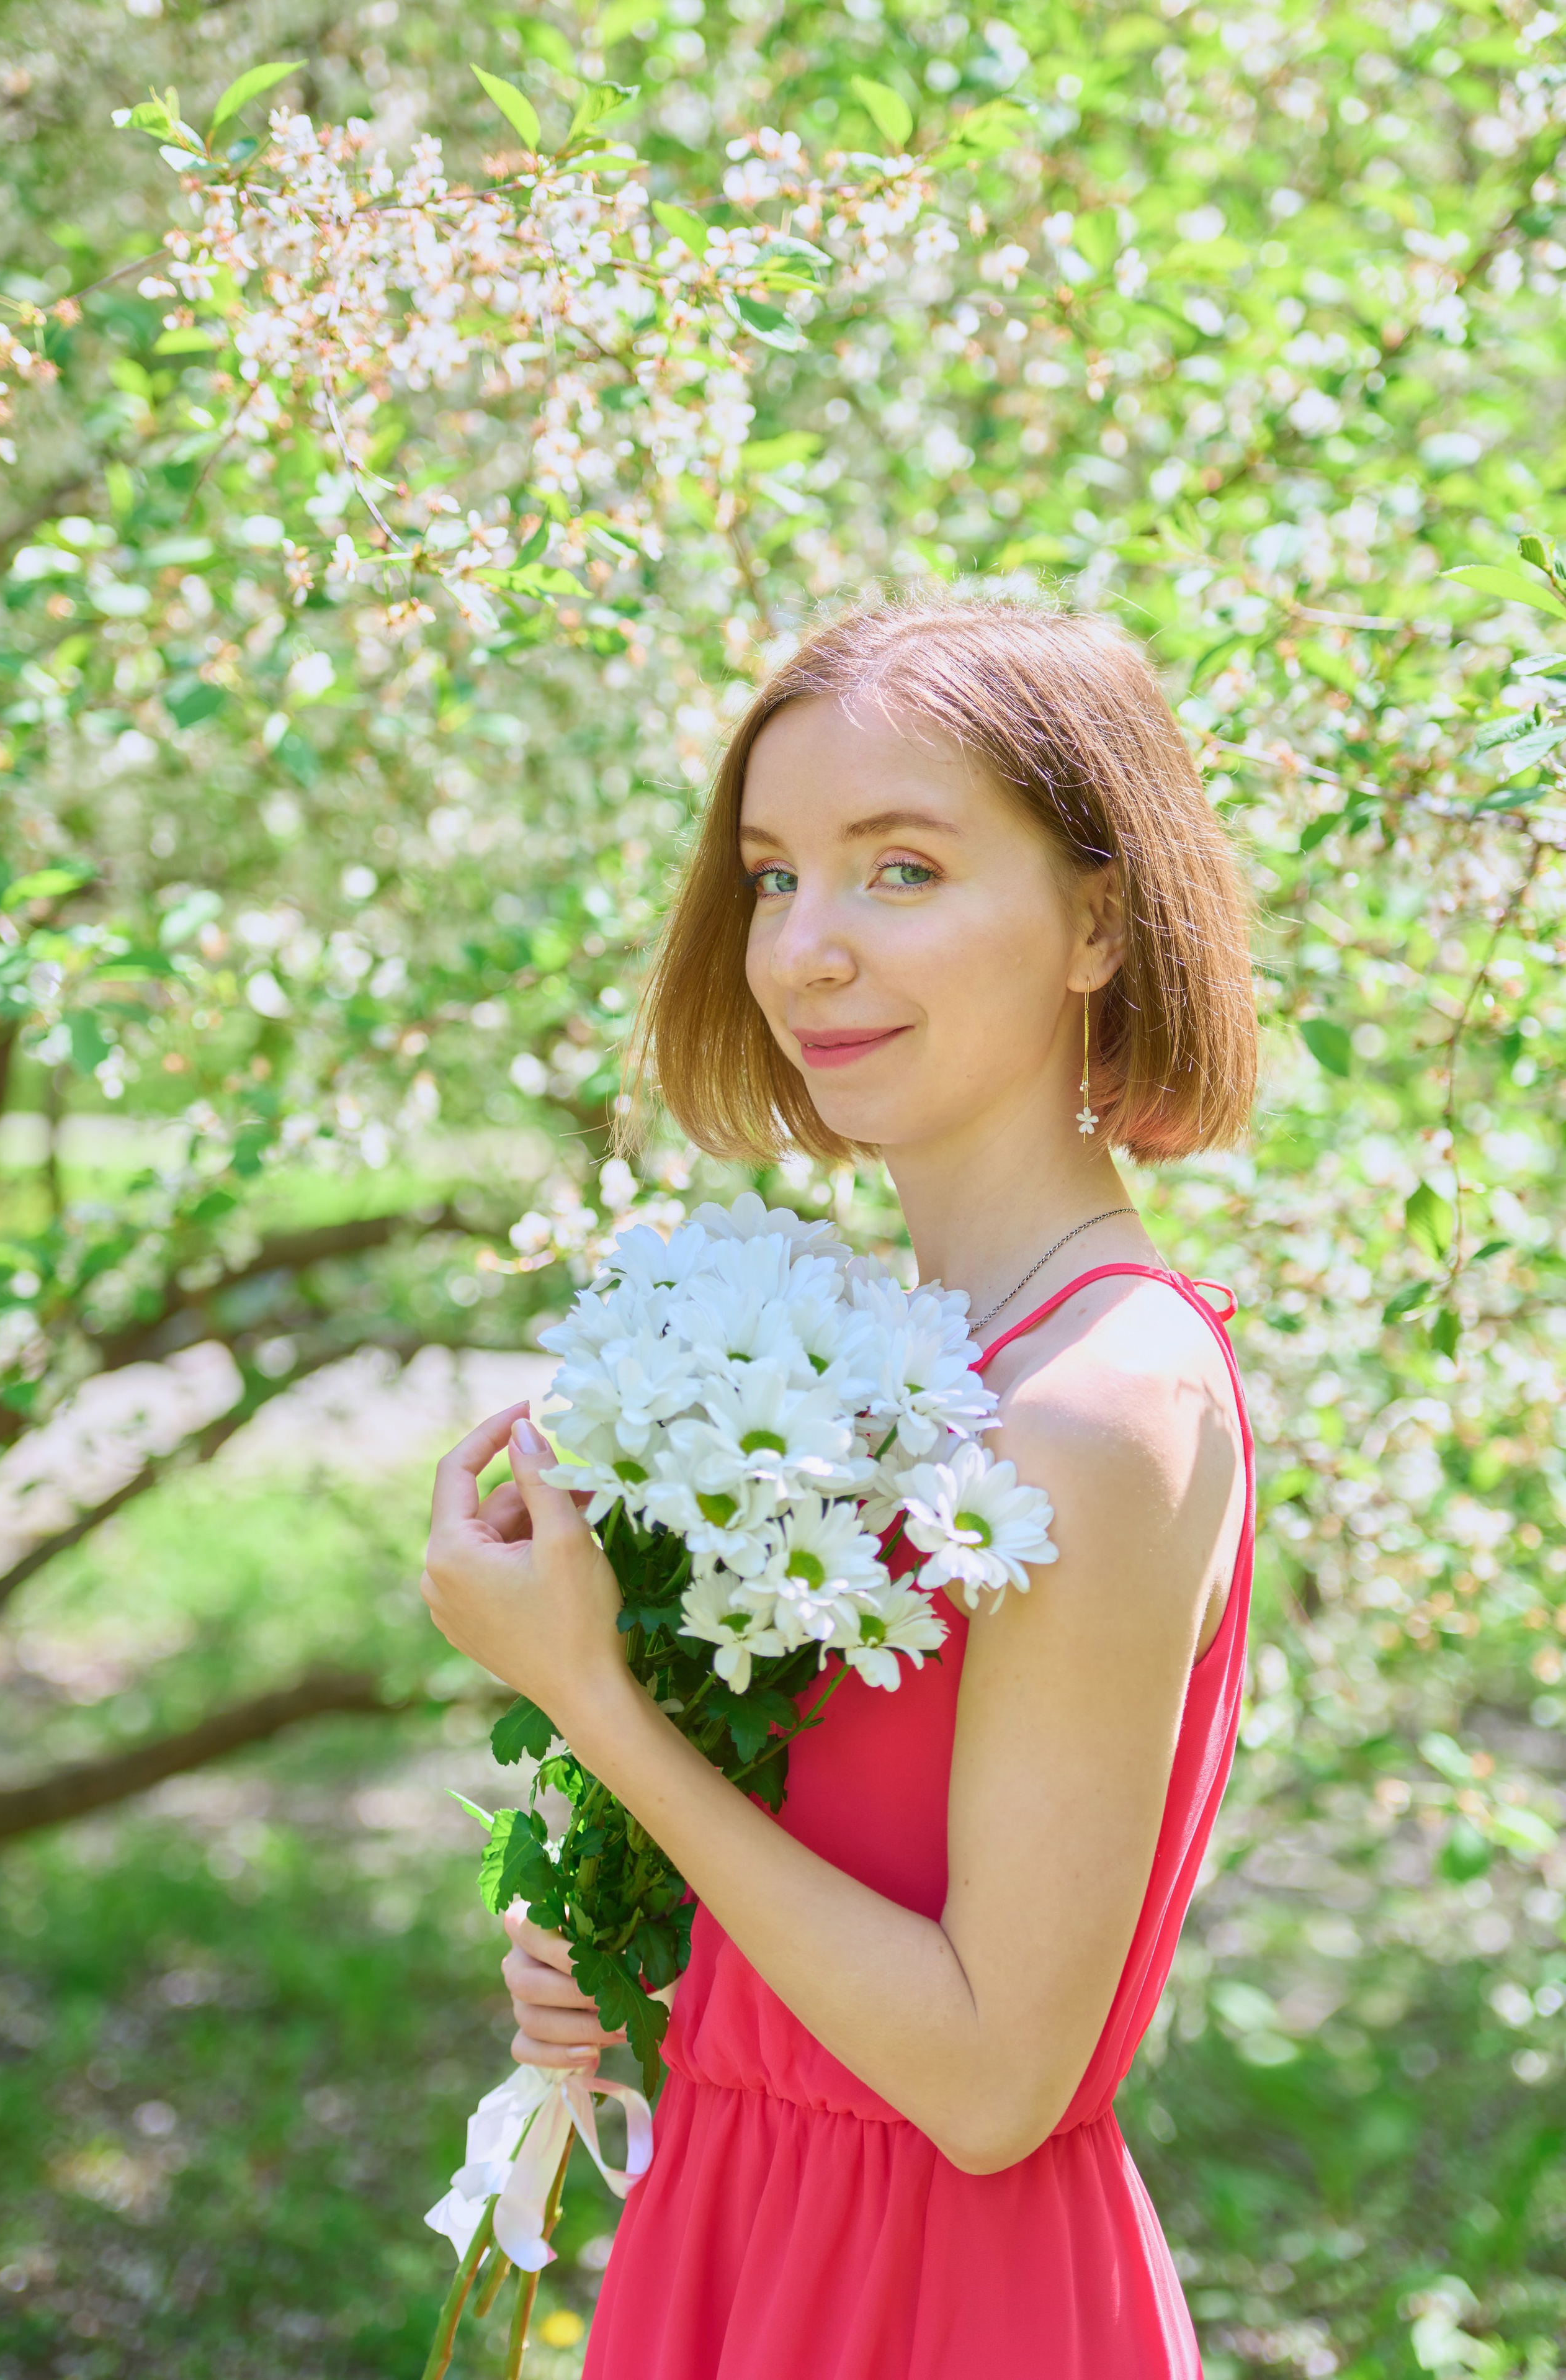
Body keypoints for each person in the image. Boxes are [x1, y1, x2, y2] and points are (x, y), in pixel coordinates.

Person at [421, 593, 1260, 2378]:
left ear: (1097, 923)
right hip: (739, 2226)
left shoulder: (1099, 1406)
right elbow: (849, 1872)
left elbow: (991, 2078)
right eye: (773, 876)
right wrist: (641, 1950)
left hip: (939, 2292)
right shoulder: (873, 1365)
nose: (804, 948)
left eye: (901, 870)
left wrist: (590, 1694)